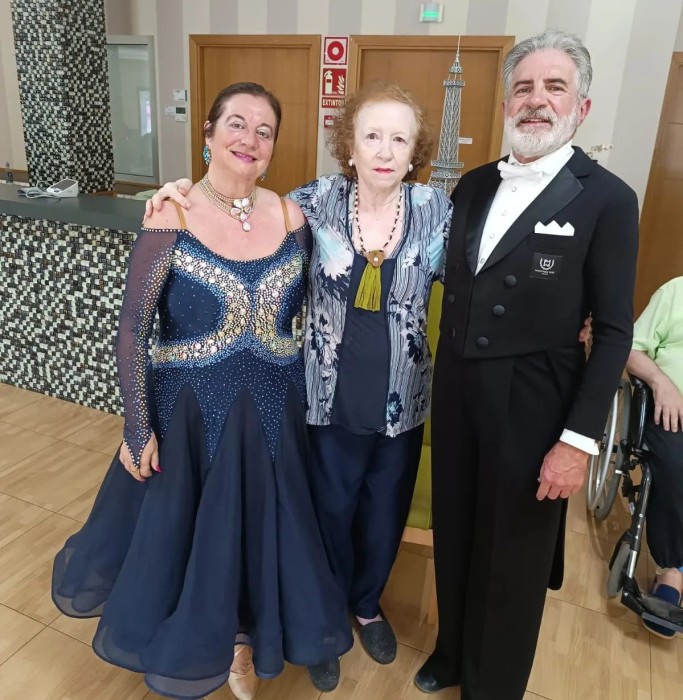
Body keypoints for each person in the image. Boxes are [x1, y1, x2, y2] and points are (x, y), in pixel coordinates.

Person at [51, 82, 352, 700]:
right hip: (189, 414)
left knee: (264, 531)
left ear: (273, 147)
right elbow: (133, 327)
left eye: (265, 131)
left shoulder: (293, 216)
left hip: (275, 411)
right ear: (208, 133)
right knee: (193, 536)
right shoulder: (172, 214)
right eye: (236, 123)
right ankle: (212, 642)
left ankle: (250, 639)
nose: (250, 139)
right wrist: (137, 426)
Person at [148, 80, 453, 691]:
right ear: (350, 146)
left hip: (402, 399)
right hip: (325, 395)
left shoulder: (437, 211)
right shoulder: (311, 203)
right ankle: (321, 615)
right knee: (327, 512)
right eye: (372, 136)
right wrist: (177, 192)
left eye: (399, 139)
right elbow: (242, 213)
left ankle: (366, 605)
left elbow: (482, 274)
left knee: (383, 513)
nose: (384, 151)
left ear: (415, 149)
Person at [415, 30, 640, 700]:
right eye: (523, 87)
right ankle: (453, 652)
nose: (536, 100)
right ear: (507, 101)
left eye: (554, 87)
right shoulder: (472, 185)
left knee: (511, 553)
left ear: (581, 106)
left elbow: (613, 331)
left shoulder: (607, 198)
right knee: (456, 527)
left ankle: (494, 685)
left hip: (535, 399)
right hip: (458, 387)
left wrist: (577, 441)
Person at [625, 276, 683, 638]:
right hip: (673, 411)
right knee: (676, 467)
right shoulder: (676, 292)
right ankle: (672, 570)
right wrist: (661, 382)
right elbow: (631, 348)